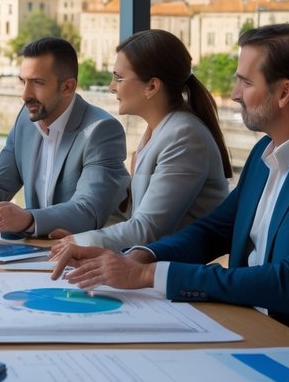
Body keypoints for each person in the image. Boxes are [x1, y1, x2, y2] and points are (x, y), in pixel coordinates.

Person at [51, 24, 289, 350]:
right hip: (247, 326)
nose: (235, 94)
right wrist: (142, 255)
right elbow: (214, 231)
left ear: (284, 92)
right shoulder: (265, 151)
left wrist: (148, 275)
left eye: (244, 81)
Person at [47, 29, 231, 251]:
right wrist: (83, 238)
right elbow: (136, 220)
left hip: (174, 274)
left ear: (152, 86)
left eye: (119, 77)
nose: (111, 86)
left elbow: (147, 229)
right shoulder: (163, 130)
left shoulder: (184, 136)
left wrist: (80, 241)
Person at [0, 36, 128, 236]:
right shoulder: (26, 120)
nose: (25, 95)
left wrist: (27, 219)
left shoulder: (101, 131)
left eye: (37, 83)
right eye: (23, 81)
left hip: (89, 257)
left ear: (68, 87)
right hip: (37, 250)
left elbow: (87, 210)